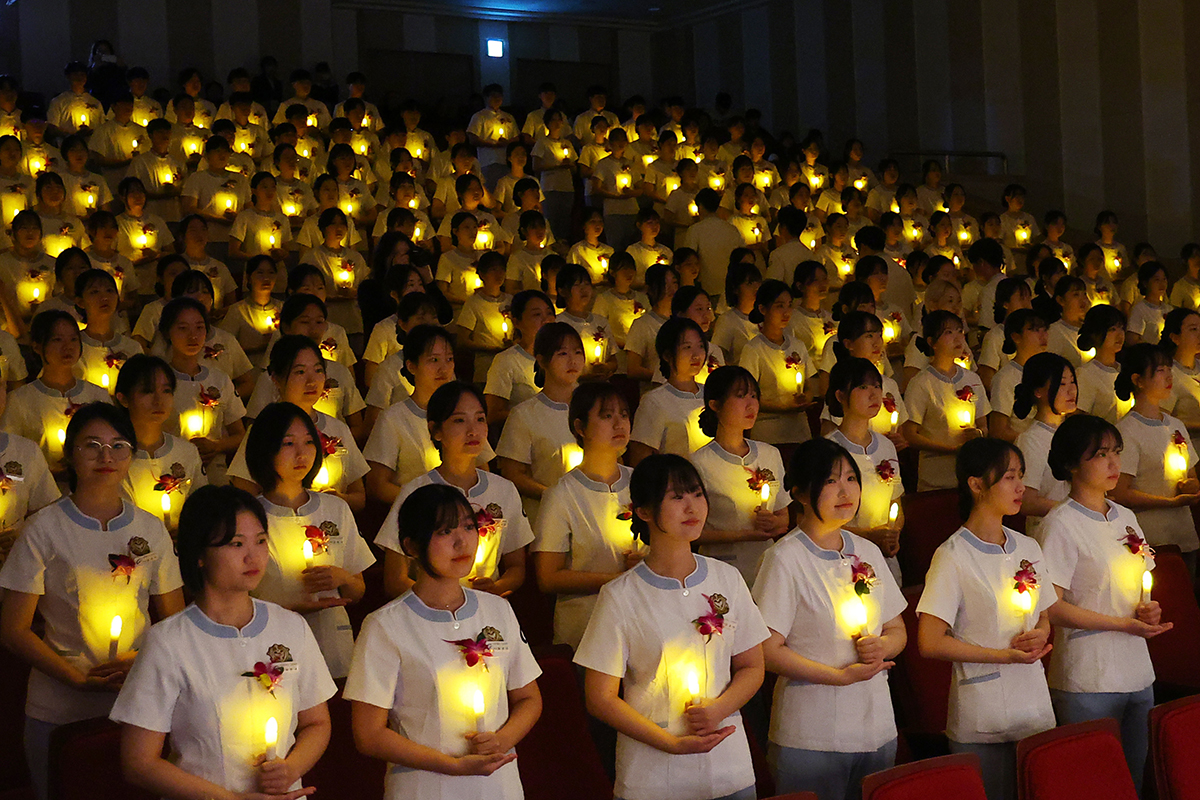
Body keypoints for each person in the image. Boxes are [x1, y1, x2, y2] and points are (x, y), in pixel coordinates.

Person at [0, 402, 184, 800]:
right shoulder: (43, 528)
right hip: (58, 704)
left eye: (119, 445)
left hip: (138, 699)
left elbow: (176, 624)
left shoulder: (150, 529)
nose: (106, 456)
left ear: (131, 456)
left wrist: (140, 661)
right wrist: (74, 678)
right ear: (69, 455)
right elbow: (14, 629)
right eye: (92, 445)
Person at [110, 484, 336, 800]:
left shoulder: (290, 626)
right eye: (235, 544)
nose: (253, 555)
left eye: (260, 541)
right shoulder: (168, 643)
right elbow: (139, 763)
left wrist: (292, 768)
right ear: (199, 554)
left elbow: (317, 722)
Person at [575, 453, 769, 800]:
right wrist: (669, 743)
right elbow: (600, 698)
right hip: (653, 774)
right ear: (645, 510)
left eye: (696, 494)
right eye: (677, 497)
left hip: (728, 766)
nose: (692, 507)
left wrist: (718, 710)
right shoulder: (621, 595)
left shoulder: (728, 578)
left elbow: (753, 665)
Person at [345, 483, 543, 800]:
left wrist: (502, 740)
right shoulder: (385, 625)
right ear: (411, 546)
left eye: (468, 526)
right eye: (444, 531)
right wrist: (452, 765)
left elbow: (529, 698)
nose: (462, 541)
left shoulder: (498, 609)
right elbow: (369, 735)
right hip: (426, 785)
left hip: (497, 782)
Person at [753, 438, 906, 798]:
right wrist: (837, 677)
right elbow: (767, 650)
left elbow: (897, 628)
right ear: (801, 493)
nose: (845, 491)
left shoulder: (867, 551)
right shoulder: (784, 559)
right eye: (831, 481)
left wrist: (883, 645)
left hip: (876, 726)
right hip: (812, 733)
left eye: (851, 479)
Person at [917, 438, 1056, 800]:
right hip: (982, 711)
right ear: (976, 484)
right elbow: (930, 642)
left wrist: (1040, 635)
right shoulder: (952, 555)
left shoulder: (1028, 547)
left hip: (1034, 702)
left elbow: (1044, 618)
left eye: (1021, 476)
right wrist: (1003, 656)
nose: (1020, 486)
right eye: (1009, 477)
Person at [1040, 414, 1171, 797]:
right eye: (1100, 455)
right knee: (1093, 782)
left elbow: (1138, 590)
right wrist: (1120, 624)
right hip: (1088, 676)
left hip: (1136, 669)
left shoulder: (1126, 518)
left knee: (1133, 778)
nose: (1114, 464)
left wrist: (1147, 611)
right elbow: (1052, 607)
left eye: (1116, 452)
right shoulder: (1060, 524)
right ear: (1071, 464)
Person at [241, 401, 373, 678]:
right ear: (266, 449)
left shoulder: (336, 508)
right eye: (289, 444)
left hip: (333, 650)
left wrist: (343, 579)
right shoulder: (249, 516)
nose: (301, 454)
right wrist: (289, 609)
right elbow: (236, 602)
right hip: (272, 650)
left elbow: (358, 590)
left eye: (309, 442)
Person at [376, 382, 533, 599]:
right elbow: (395, 579)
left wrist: (495, 590)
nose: (473, 430)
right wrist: (442, 600)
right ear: (436, 430)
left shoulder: (504, 490)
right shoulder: (417, 491)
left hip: (485, 611)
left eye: (480, 419)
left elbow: (516, 568)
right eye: (459, 420)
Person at [230, 336, 368, 512]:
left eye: (318, 370)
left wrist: (338, 499)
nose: (311, 381)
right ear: (276, 379)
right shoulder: (264, 429)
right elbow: (244, 496)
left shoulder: (338, 428)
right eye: (300, 372)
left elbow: (359, 497)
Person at [691, 366, 790, 585]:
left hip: (767, 567)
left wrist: (773, 522)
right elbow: (693, 533)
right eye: (740, 396)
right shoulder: (699, 463)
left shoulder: (770, 454)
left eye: (754, 396)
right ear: (715, 404)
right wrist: (746, 534)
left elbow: (784, 517)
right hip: (721, 569)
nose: (751, 404)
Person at [1112, 344, 1200, 570]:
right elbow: (1120, 493)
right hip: (1150, 538)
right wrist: (1169, 502)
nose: (1169, 375)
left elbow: (1192, 475)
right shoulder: (1126, 431)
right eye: (1160, 370)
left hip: (1184, 534)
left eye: (1169, 369)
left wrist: (1191, 487)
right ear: (1138, 380)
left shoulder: (1176, 425)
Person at [1, 310, 111, 473]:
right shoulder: (20, 400)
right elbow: (6, 459)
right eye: (57, 340)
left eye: (73, 339)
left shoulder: (98, 396)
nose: (68, 346)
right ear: (37, 346)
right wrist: (43, 472)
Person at [902, 310, 990, 490]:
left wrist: (978, 435)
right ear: (932, 342)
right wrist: (949, 449)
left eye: (960, 332)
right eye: (949, 333)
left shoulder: (972, 379)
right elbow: (910, 433)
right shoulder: (921, 383)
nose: (958, 339)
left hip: (969, 474)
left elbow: (984, 425)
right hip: (935, 478)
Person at [116, 354, 206, 529]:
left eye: (166, 391)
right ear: (123, 398)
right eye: (147, 391)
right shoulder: (112, 456)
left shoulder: (187, 452)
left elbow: (202, 507)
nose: (158, 400)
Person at [627, 317, 713, 464]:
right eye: (687, 347)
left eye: (700, 346)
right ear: (667, 355)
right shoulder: (654, 401)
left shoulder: (712, 395)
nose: (696, 355)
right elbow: (640, 459)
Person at [1011, 353, 1078, 537]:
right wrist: (1078, 510)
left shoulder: (1076, 431)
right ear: (1038, 391)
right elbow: (1027, 501)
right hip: (1050, 533)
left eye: (1072, 382)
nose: (1071, 391)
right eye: (1062, 384)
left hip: (1078, 529)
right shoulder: (1031, 439)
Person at [484, 289, 554, 424]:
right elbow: (492, 414)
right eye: (537, 314)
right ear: (517, 322)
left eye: (549, 313)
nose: (546, 320)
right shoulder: (507, 360)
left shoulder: (560, 356)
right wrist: (534, 412)